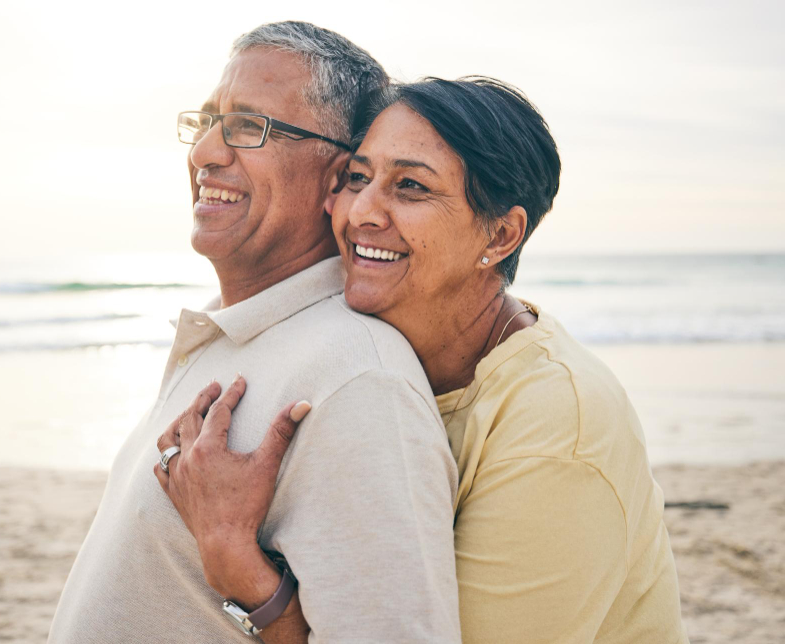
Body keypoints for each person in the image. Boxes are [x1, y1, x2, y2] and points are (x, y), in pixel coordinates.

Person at [157, 77, 690, 643]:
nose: (361, 211)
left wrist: (236, 564)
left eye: (410, 187)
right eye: (358, 178)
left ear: (502, 234)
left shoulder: (557, 426)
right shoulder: (380, 364)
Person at [48, 22, 463, 642]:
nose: (205, 153)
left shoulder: (358, 378)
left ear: (339, 178)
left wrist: (239, 568)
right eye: (208, 121)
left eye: (248, 127)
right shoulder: (240, 331)